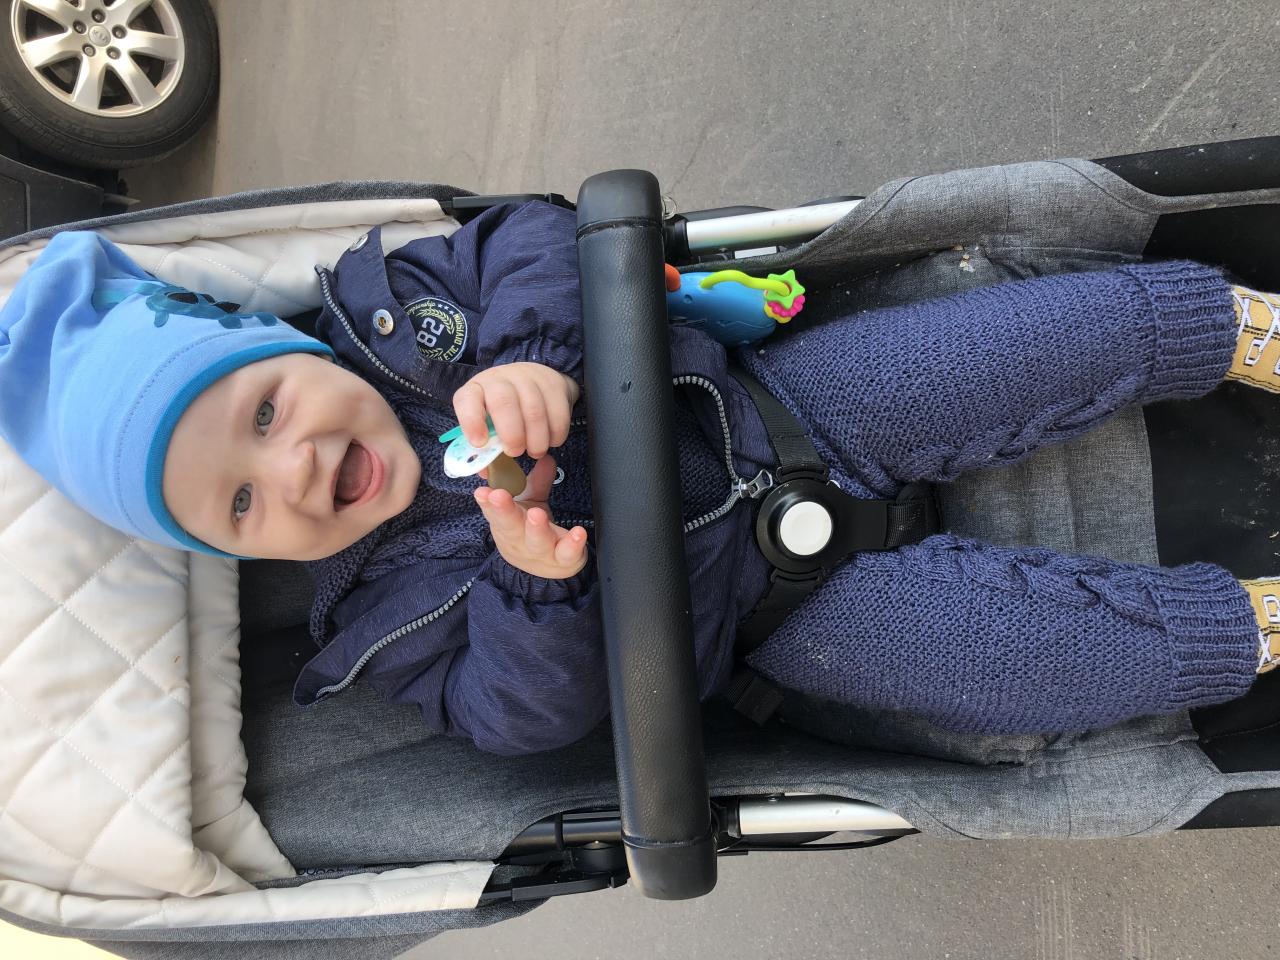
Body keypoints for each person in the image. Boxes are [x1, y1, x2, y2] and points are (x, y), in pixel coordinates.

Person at [1, 205, 1277, 756]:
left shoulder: (409, 318)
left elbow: (536, 235)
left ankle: (1225, 328)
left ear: (282, 347)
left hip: (781, 404)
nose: (293, 468)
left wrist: (529, 356)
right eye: (238, 504)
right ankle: (1250, 627)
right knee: (1037, 668)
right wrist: (533, 591)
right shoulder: (373, 623)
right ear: (239, 554)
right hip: (776, 615)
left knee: (1022, 347)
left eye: (268, 411)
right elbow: (515, 720)